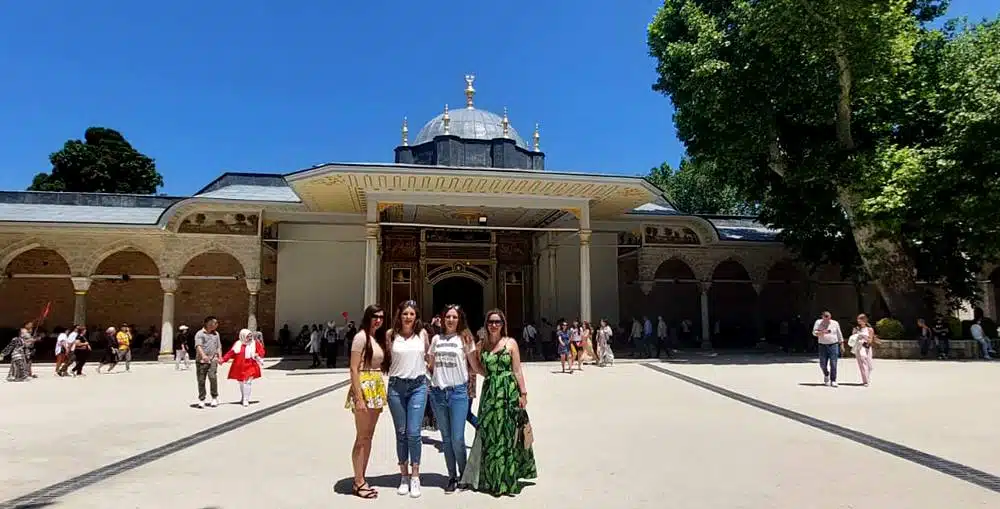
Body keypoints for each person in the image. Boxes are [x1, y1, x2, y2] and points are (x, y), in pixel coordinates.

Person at [460, 309, 537, 496]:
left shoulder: (510, 343)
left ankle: (506, 479)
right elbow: (478, 368)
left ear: (503, 324)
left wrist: (523, 393)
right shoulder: (482, 345)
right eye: (491, 322)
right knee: (489, 433)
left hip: (508, 392)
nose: (494, 325)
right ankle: (490, 477)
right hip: (490, 393)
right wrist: (469, 352)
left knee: (507, 433)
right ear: (486, 324)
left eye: (498, 322)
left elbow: (517, 370)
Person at [427, 304, 478, 493]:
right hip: (439, 393)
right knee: (446, 438)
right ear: (442, 319)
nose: (450, 320)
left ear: (459, 319)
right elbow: (430, 365)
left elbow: (473, 365)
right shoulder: (436, 339)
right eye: (448, 317)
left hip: (458, 393)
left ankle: (464, 474)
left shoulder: (465, 339)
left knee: (457, 437)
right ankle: (452, 477)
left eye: (454, 317)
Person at [385, 300, 429, 498]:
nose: (408, 317)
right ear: (399, 316)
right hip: (396, 387)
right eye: (405, 314)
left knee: (413, 432)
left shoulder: (423, 334)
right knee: (401, 432)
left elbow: (430, 357)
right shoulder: (390, 335)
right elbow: (384, 358)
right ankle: (404, 476)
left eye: (411, 314)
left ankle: (415, 476)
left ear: (416, 316)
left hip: (418, 386)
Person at [346, 305, 388, 500]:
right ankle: (358, 481)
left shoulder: (375, 337)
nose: (378, 320)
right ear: (367, 317)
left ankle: (361, 477)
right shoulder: (361, 337)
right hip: (364, 387)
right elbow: (354, 368)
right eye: (374, 317)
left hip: (376, 387)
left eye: (380, 317)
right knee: (362, 437)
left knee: (368, 437)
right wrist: (358, 397)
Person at [221, 329, 265, 407]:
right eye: (248, 336)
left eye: (251, 336)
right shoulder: (238, 344)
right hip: (239, 366)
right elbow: (231, 353)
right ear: (243, 336)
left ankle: (246, 400)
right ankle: (243, 397)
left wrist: (258, 355)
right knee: (241, 383)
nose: (250, 338)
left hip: (251, 365)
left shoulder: (255, 343)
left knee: (247, 382)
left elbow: (261, 351)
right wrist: (223, 360)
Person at [194, 316, 222, 408]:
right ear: (208, 323)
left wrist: (220, 357)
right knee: (201, 380)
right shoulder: (200, 334)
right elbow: (198, 346)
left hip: (213, 359)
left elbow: (218, 346)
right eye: (215, 323)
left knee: (212, 377)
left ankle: (214, 397)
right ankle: (202, 399)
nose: (216, 325)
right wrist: (203, 356)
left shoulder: (216, 334)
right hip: (201, 361)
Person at [813, 311, 844, 387]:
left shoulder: (835, 323)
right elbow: (814, 332)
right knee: (822, 363)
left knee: (833, 363)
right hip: (822, 345)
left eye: (828, 317)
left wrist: (841, 344)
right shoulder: (818, 322)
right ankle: (826, 374)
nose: (827, 318)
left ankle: (833, 380)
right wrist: (821, 332)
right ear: (822, 317)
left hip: (833, 344)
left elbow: (839, 334)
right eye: (825, 317)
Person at [849, 314, 877, 386]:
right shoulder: (856, 329)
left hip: (866, 347)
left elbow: (870, 340)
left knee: (869, 365)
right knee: (862, 363)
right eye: (858, 319)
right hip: (859, 347)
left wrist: (864, 337)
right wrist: (856, 335)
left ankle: (867, 376)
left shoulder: (869, 329)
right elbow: (852, 338)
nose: (858, 321)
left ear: (865, 320)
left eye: (860, 319)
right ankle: (866, 381)